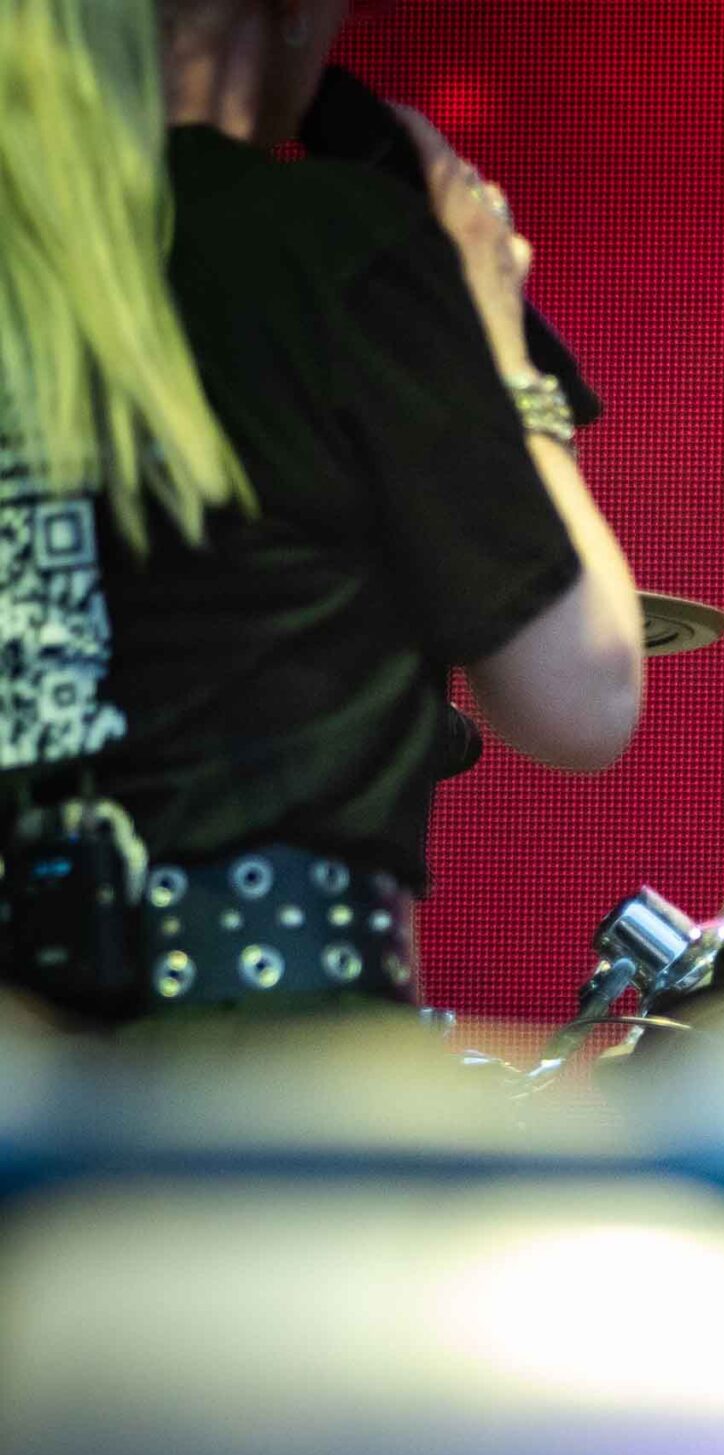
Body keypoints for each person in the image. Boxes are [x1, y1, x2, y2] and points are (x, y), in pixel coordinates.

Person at [0, 0, 643, 1023]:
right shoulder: (331, 246)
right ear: (281, 17)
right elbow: (584, 699)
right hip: (268, 1059)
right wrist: (496, 338)